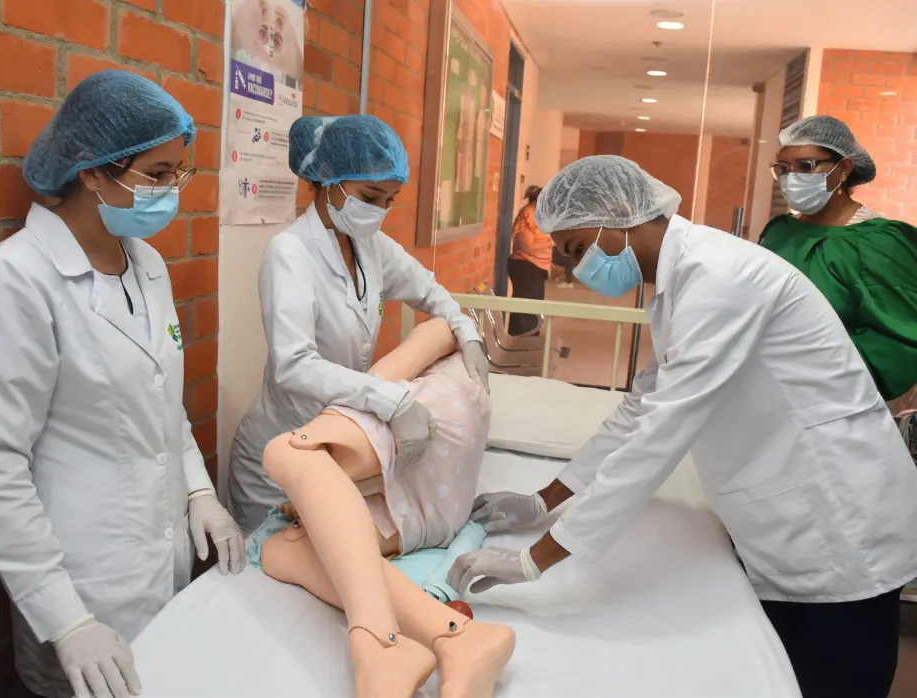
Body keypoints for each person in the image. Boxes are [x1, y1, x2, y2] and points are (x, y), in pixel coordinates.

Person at [448, 155, 917, 698]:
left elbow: (661, 432)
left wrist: (536, 559)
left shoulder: (719, 278)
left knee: (836, 678)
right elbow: (642, 405)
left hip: (838, 519)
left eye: (578, 247)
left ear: (621, 213)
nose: (576, 267)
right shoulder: (684, 282)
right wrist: (543, 500)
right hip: (787, 513)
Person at [0, 71, 245, 698]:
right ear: (91, 172)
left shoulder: (147, 264)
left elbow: (164, 406)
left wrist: (199, 493)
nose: (173, 192)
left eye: (179, 173)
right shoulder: (14, 280)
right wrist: (66, 620)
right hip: (80, 592)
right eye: (158, 175)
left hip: (160, 570)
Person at [228, 115, 489, 534]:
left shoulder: (369, 246)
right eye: (370, 195)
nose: (380, 210)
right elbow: (293, 364)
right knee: (273, 560)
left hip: (333, 444)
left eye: (390, 200)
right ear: (329, 178)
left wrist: (467, 333)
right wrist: (389, 400)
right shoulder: (290, 253)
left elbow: (430, 291)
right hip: (280, 447)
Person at [257, 317, 513, 698]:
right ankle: (459, 637)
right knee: (278, 551)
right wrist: (312, 489)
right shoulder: (476, 388)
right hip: (441, 508)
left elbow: (374, 383)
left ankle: (378, 647)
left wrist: (310, 464)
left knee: (287, 451)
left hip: (431, 417)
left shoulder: (442, 333)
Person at [758, 114, 917, 407]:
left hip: (835, 403)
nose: (791, 178)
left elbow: (901, 338)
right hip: (767, 391)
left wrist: (810, 366)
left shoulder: (878, 243)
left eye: (805, 166)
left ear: (843, 169)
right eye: (783, 168)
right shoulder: (780, 232)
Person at [507, 185, 552, 335]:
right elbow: (526, 246)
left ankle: (528, 342)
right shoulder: (529, 214)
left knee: (533, 311)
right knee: (525, 313)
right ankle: (522, 346)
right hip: (526, 266)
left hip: (536, 268)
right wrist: (550, 242)